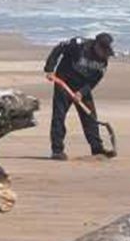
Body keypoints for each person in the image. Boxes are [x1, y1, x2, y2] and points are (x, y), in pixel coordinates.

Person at [44, 32, 115, 160]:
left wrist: (82, 92)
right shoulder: (78, 45)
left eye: (107, 51)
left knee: (90, 117)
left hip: (82, 86)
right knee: (59, 116)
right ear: (96, 45)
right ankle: (57, 150)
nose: (104, 54)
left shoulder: (104, 61)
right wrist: (49, 68)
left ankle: (97, 148)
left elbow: (95, 80)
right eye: (103, 50)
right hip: (64, 82)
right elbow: (58, 49)